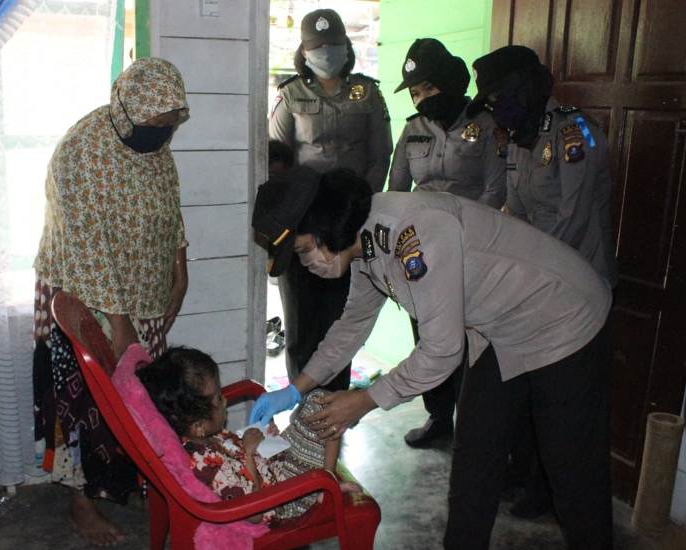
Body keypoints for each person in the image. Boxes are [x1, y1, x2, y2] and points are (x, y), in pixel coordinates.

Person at [249, 167, 613, 549]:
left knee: (573, 475)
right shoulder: (362, 246)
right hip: (498, 331)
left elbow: (441, 350)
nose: (306, 264)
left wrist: (364, 401)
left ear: (327, 229)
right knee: (475, 458)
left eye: (305, 250)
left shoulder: (416, 232)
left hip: (562, 317)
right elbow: (352, 324)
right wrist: (296, 388)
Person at [32, 58, 190, 546]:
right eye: (153, 125)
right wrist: (119, 325)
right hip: (84, 297)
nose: (160, 135)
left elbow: (168, 206)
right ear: (126, 110)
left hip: (141, 292)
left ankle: (129, 478)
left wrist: (179, 270)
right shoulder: (80, 152)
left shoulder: (155, 146)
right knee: (91, 405)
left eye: (169, 125)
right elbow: (87, 248)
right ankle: (83, 504)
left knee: (139, 399)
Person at [466, 45, 617, 519]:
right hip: (536, 288)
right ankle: (533, 479)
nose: (493, 109)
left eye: (496, 97)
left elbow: (572, 220)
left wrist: (521, 274)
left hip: (578, 292)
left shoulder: (575, 133)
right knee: (529, 386)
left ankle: (558, 490)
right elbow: (515, 211)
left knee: (569, 408)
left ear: (522, 90)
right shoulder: (517, 138)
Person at [388, 38, 507, 448]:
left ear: (449, 84)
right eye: (416, 93)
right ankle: (439, 417)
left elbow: (496, 191)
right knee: (427, 337)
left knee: (470, 340)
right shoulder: (412, 130)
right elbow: (397, 190)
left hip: (470, 249)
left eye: (428, 89)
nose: (422, 99)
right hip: (420, 251)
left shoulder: (487, 126)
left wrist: (463, 236)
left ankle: (473, 424)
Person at [269, 8, 393, 393]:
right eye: (318, 46)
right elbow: (276, 162)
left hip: (347, 224)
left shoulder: (367, 93)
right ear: (305, 52)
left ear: (346, 47)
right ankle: (301, 407)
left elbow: (380, 155)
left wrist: (356, 207)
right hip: (303, 224)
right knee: (301, 325)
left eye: (333, 45)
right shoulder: (290, 95)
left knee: (340, 320)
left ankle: (334, 408)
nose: (326, 52)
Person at [136, 346, 358, 524]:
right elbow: (253, 514)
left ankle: (325, 478)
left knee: (319, 401)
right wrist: (250, 455)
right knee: (327, 412)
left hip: (278, 465)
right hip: (284, 499)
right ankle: (324, 489)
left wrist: (263, 439)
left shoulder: (204, 436)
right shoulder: (206, 468)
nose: (224, 401)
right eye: (217, 399)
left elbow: (236, 455)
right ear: (197, 426)